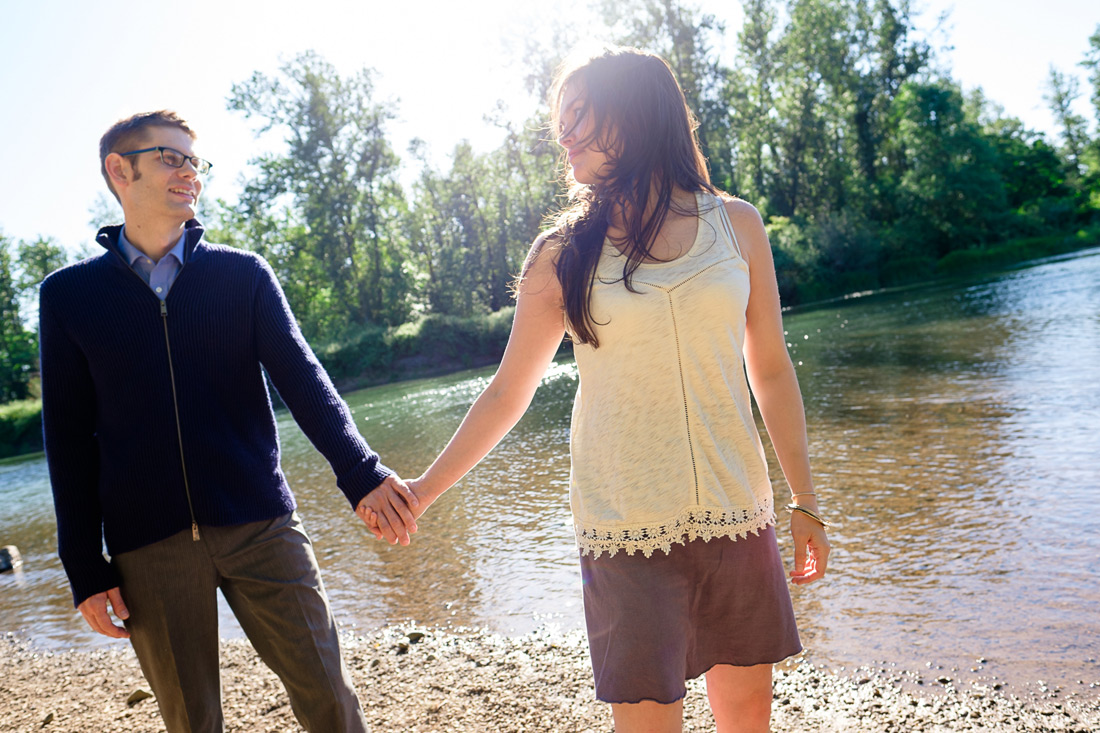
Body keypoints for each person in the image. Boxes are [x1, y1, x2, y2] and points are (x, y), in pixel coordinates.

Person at [360, 47, 830, 732]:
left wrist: (805, 498)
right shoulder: (562, 254)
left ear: (636, 114)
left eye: (581, 115)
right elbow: (507, 393)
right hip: (624, 527)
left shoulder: (739, 225)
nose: (565, 135)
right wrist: (424, 491)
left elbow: (772, 368)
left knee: (748, 719)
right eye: (561, 122)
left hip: (738, 510)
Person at [39, 110, 418, 733]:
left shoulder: (242, 275)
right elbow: (69, 440)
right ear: (119, 170)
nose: (190, 172)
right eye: (171, 157)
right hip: (147, 546)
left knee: (328, 694)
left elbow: (304, 380)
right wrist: (83, 561)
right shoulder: (69, 297)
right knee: (192, 721)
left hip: (261, 523)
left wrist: (362, 473)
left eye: (195, 161)